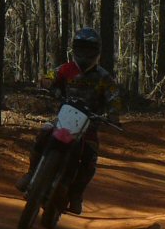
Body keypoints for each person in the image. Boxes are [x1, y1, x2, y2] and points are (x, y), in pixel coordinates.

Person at [16, 27, 122, 215]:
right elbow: (49, 77)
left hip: (88, 125)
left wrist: (113, 115)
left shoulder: (104, 77)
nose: (85, 54)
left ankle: (75, 194)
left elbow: (114, 97)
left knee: (90, 158)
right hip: (64, 119)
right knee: (44, 133)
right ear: (75, 49)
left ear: (96, 52)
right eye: (81, 49)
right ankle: (32, 172)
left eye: (89, 50)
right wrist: (47, 82)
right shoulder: (66, 69)